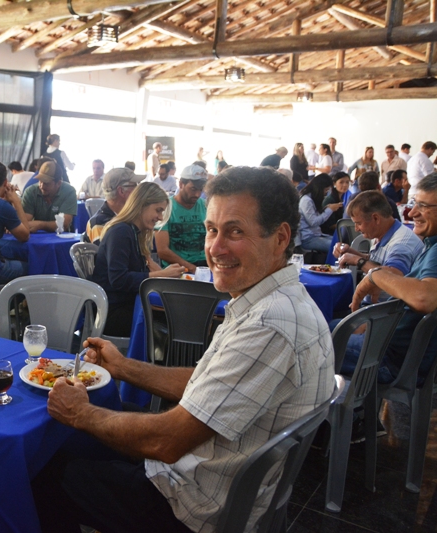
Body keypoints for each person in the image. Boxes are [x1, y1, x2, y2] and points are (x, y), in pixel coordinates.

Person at [33, 166, 334, 533]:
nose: (215, 248)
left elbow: (167, 441)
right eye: (212, 230)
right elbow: (207, 381)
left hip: (195, 507)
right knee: (72, 437)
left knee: (41, 468)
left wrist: (81, 414)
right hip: (211, 476)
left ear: (281, 237)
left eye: (235, 232)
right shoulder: (275, 300)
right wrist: (123, 367)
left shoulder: (270, 324)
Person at [342, 173, 437, 385]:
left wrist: (376, 275)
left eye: (422, 206)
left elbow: (425, 298)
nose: (412, 213)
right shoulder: (431, 244)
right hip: (395, 349)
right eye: (414, 204)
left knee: (307, 341)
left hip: (392, 360)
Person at [88, 182, 185, 337]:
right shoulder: (120, 232)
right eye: (158, 210)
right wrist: (161, 275)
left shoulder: (134, 232)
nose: (160, 217)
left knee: (176, 314)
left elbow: (138, 272)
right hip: (112, 312)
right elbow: (118, 279)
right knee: (178, 320)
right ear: (141, 205)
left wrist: (161, 272)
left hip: (126, 304)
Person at [334, 191, 423, 304]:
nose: (356, 229)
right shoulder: (385, 232)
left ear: (376, 218)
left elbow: (394, 275)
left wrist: (358, 261)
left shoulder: (401, 245)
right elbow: (381, 263)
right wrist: (352, 253)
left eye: (359, 223)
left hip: (385, 311)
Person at [155, 165, 208, 273]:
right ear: (181, 184)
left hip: (204, 265)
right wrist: (192, 269)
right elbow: (162, 251)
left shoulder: (206, 206)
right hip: (176, 268)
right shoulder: (166, 207)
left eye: (200, 190)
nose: (197, 194)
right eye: (193, 189)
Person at [85, 168, 140, 245]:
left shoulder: (130, 216)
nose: (138, 190)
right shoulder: (99, 224)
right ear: (121, 191)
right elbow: (111, 251)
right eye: (135, 185)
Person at [21, 161, 78, 233]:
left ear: (58, 183)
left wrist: (40, 225)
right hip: (36, 236)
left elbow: (63, 224)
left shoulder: (69, 192)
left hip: (61, 237)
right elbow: (25, 222)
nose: (42, 186)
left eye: (46, 183)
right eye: (40, 181)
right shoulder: (30, 192)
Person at [299, 173, 342, 250]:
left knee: (341, 242)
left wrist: (325, 209)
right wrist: (330, 210)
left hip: (316, 235)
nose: (326, 193)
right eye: (326, 190)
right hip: (308, 238)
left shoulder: (311, 198)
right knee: (337, 247)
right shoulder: (306, 200)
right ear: (319, 189)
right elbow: (313, 222)